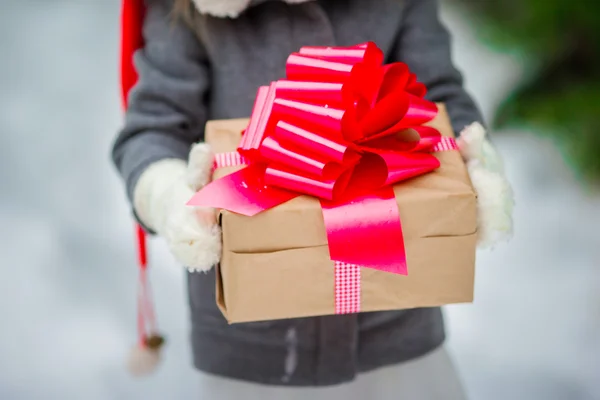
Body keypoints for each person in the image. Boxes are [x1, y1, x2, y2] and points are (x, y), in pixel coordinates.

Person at [112, 0, 513, 398]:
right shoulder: (186, 10)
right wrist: (169, 196)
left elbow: (438, 97)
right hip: (253, 345)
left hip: (395, 324)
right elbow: (152, 129)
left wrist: (475, 166)